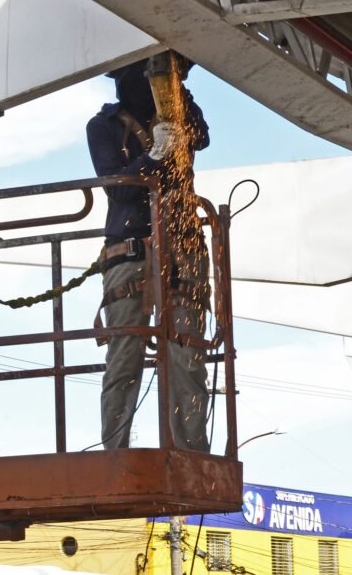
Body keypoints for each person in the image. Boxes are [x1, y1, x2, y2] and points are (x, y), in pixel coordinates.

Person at [85, 56, 211, 451]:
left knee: (187, 356)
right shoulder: (103, 126)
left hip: (182, 247)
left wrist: (177, 97)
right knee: (125, 357)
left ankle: (191, 452)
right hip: (130, 251)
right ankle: (115, 452)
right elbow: (120, 188)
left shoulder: (175, 114)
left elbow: (202, 137)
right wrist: (153, 155)